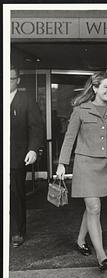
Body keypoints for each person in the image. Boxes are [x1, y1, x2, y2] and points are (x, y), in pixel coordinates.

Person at [56, 72, 107, 271]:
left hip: (106, 166)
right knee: (95, 208)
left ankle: (80, 240)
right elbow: (69, 138)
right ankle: (102, 256)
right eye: (105, 86)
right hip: (85, 164)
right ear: (95, 88)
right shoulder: (80, 110)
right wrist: (62, 163)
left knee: (91, 208)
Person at [10, 64, 44, 247]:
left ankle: (17, 231)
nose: (7, 82)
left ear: (18, 80)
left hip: (16, 156)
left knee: (15, 193)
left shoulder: (26, 100)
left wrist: (32, 149)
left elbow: (36, 127)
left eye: (11, 79)